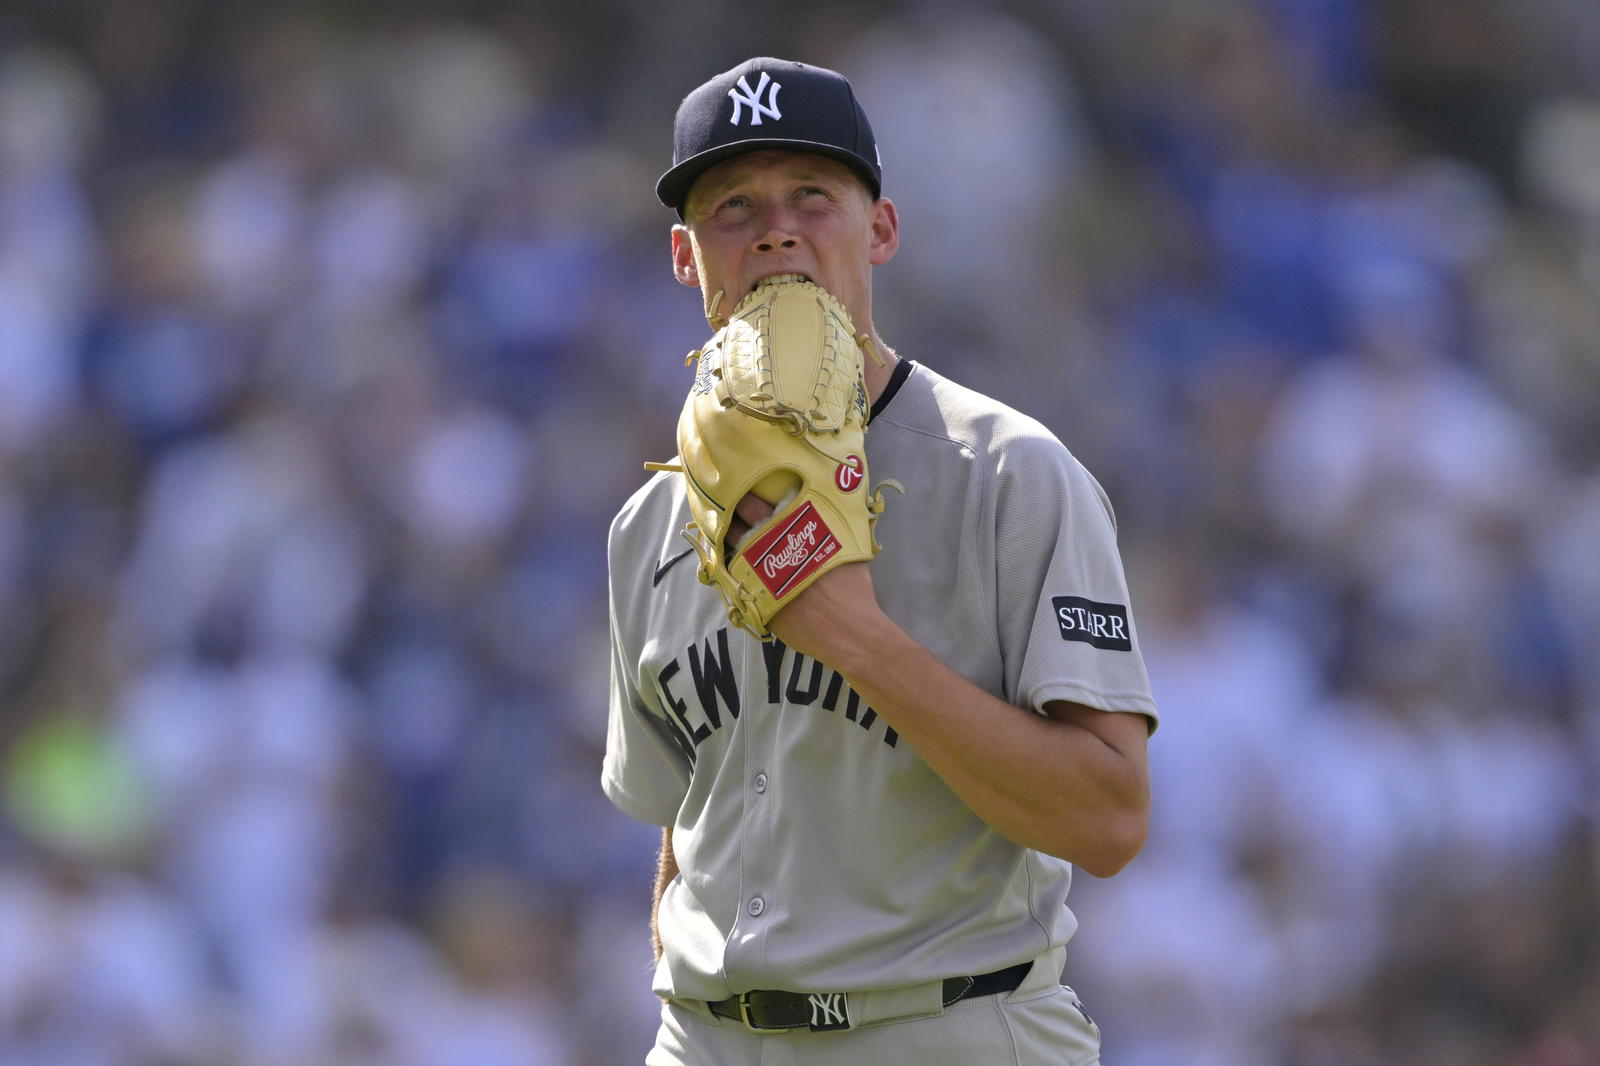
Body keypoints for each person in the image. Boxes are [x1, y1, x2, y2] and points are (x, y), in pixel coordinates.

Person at [603, 56, 1158, 1065]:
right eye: (732, 206)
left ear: (881, 231)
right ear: (686, 257)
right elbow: (685, 819)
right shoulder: (649, 521)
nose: (774, 228)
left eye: (811, 195)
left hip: (942, 1028)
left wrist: (851, 636)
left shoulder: (1008, 473)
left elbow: (1108, 817)